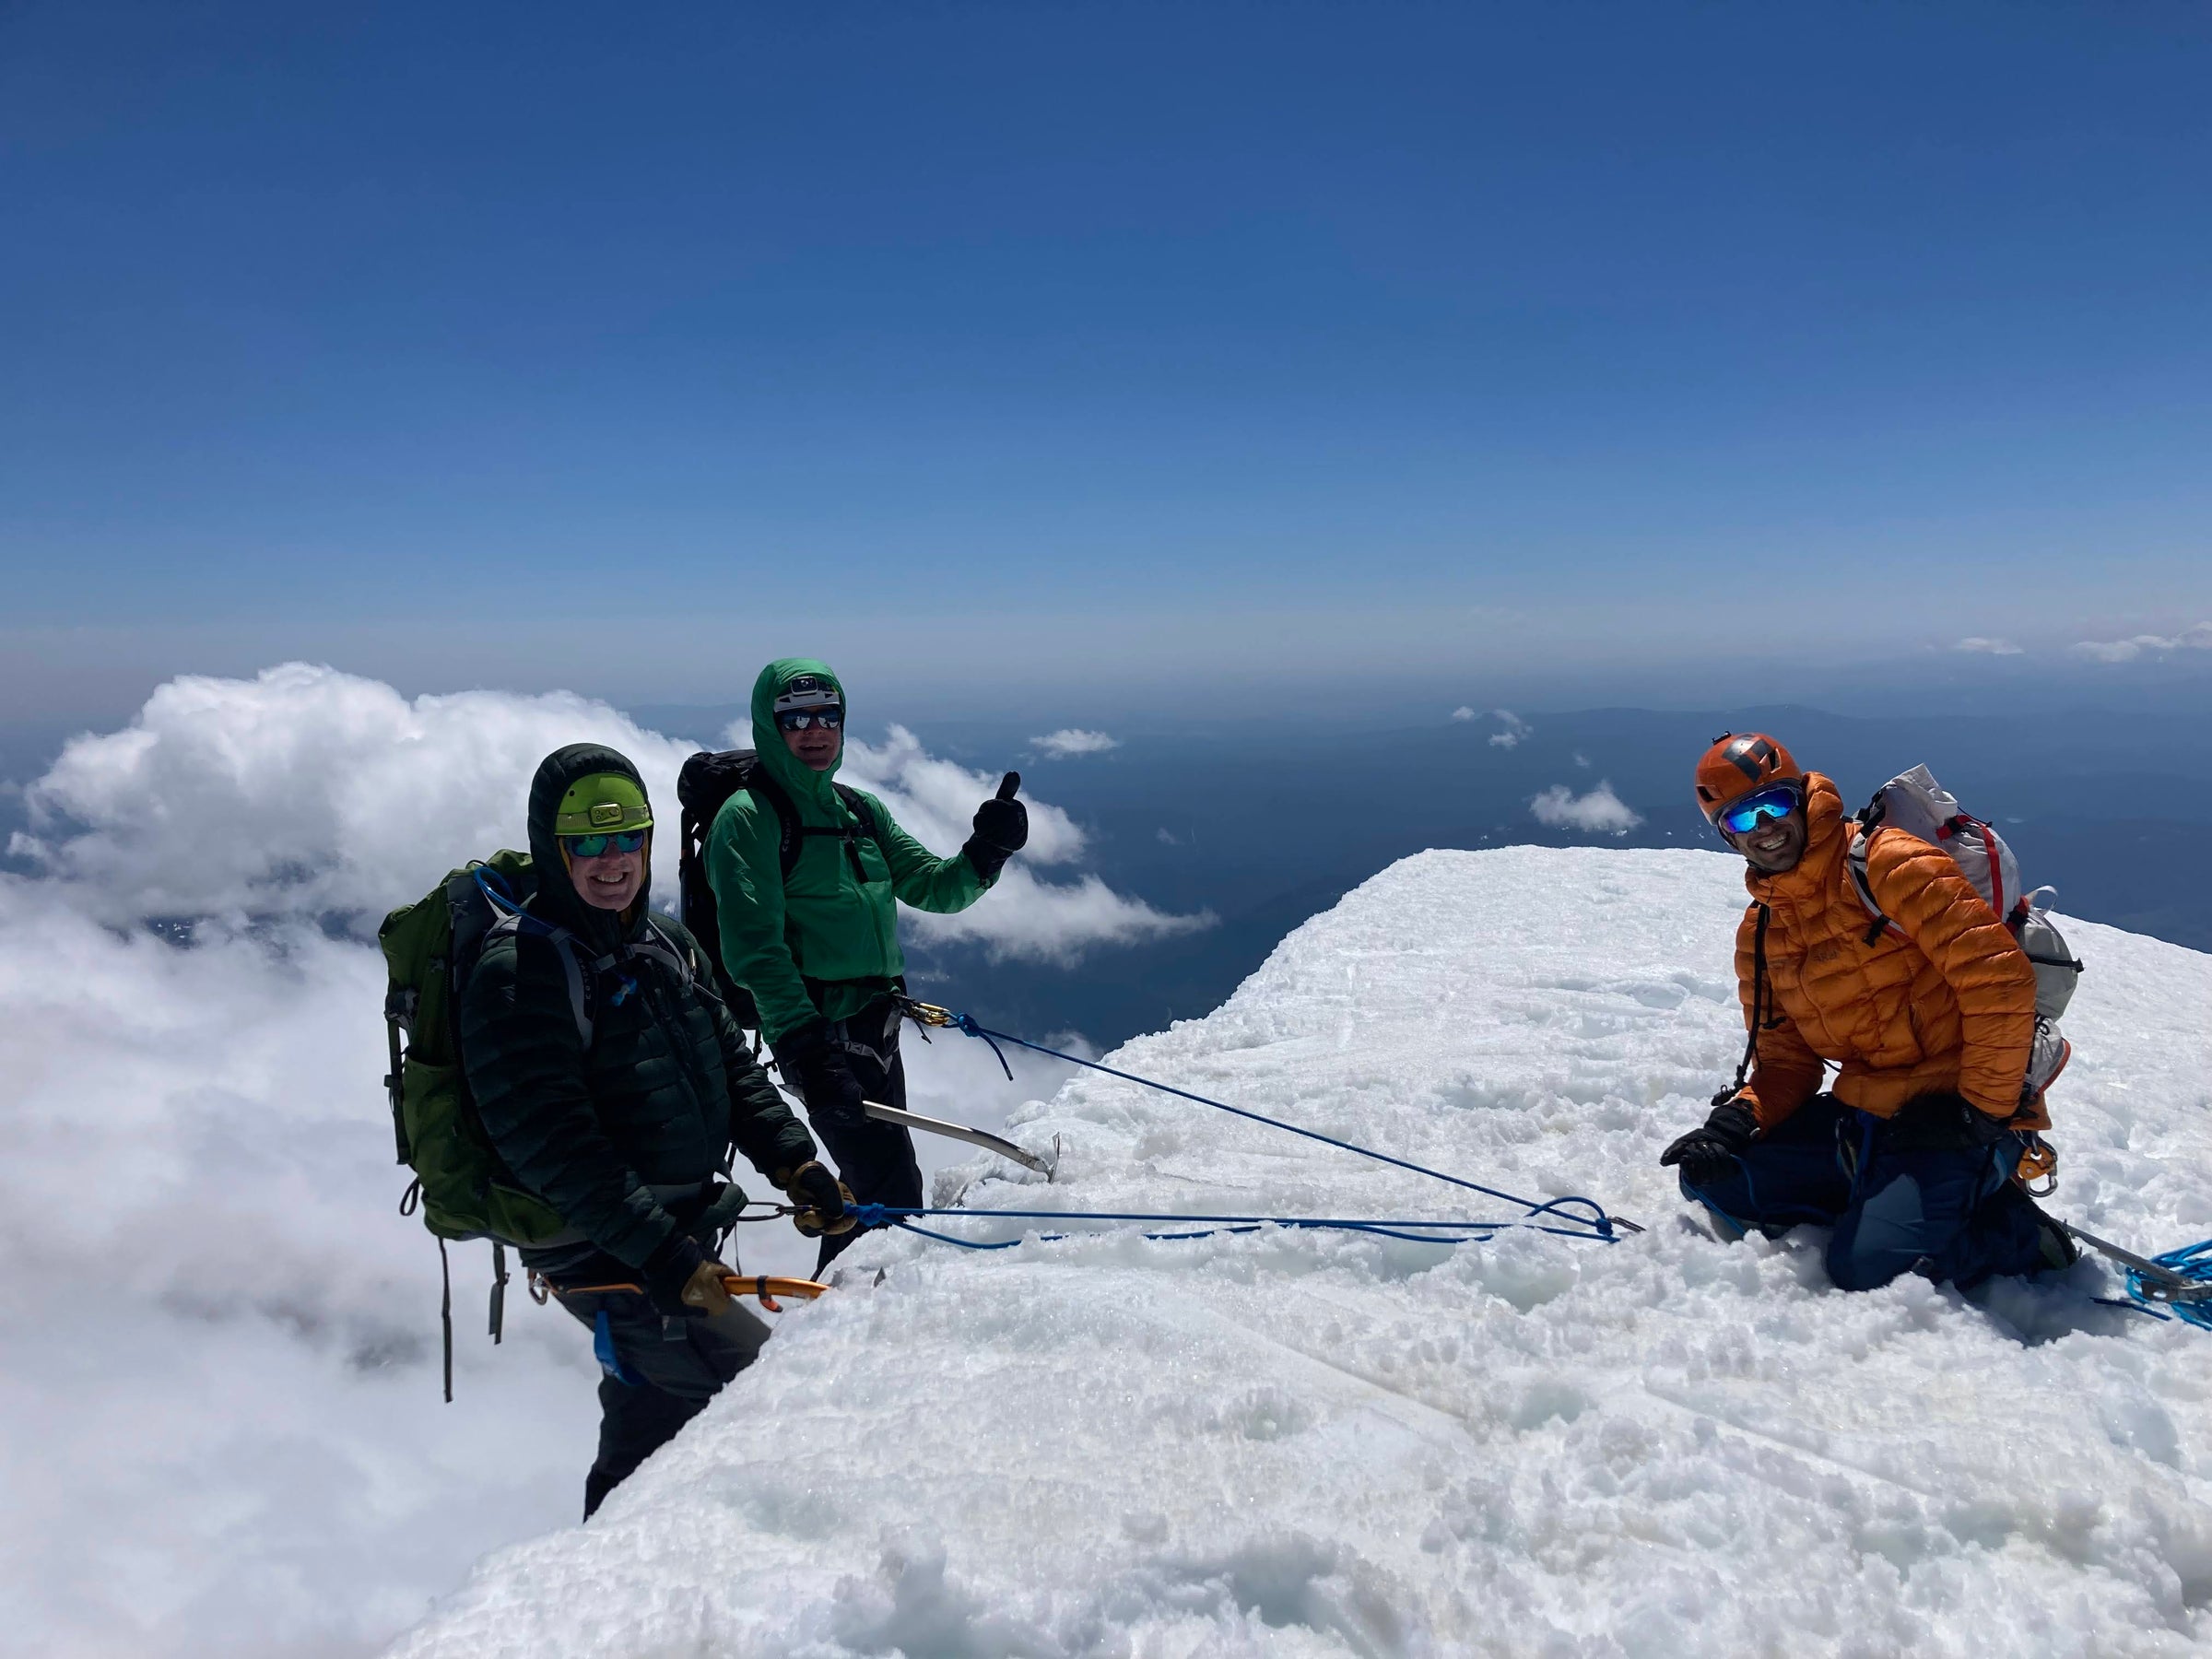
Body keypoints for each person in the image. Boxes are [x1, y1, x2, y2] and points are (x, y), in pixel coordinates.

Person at [458, 743, 855, 1519]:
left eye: (628, 839)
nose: (613, 862)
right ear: (554, 848)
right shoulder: (519, 974)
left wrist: (797, 1162)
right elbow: (553, 1147)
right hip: (598, 1247)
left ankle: (596, 1557)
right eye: (588, 845)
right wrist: (664, 1253)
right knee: (753, 1392)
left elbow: (732, 1067)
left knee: (650, 1405)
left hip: (665, 1234)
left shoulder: (665, 944)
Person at [1660, 732, 2075, 1291]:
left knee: (1864, 1272)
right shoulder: (1761, 933)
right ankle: (1891, 1200)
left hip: (1963, 1111)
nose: (1764, 827)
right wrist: (1738, 1121)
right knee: (1715, 1178)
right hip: (1869, 1115)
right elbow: (1787, 1064)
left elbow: (1998, 983)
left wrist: (1978, 1112)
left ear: (1803, 796)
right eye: (1740, 820)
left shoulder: (1890, 866)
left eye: (1774, 804)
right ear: (1727, 837)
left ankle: (2017, 1233)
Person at [704, 659, 1028, 1272]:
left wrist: (989, 850)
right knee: (893, 1194)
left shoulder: (859, 811)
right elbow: (755, 951)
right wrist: (807, 1052)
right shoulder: (747, 820)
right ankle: (859, 1338)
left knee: (875, 1190)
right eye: (795, 718)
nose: (815, 729)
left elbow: (935, 887)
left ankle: (838, 1314)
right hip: (820, 1037)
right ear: (769, 727)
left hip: (876, 1027)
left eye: (829, 716)